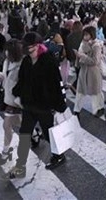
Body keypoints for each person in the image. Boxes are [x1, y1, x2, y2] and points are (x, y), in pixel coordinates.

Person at [10, 32, 67, 178]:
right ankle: (20, 165)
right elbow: (22, 80)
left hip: (45, 106)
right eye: (27, 49)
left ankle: (59, 155)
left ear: (39, 46)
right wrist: (16, 92)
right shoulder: (26, 61)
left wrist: (60, 105)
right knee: (24, 133)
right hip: (29, 104)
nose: (30, 52)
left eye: (33, 48)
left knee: (49, 134)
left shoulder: (48, 61)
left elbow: (56, 84)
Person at [0, 40, 24, 165]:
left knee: (14, 125)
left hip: (19, 101)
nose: (5, 52)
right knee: (8, 125)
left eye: (8, 50)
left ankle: (7, 154)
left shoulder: (22, 64)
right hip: (10, 100)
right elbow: (6, 76)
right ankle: (6, 152)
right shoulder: (7, 62)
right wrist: (0, 76)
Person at [73, 26, 105, 117]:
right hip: (84, 71)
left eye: (86, 34)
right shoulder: (82, 44)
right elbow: (79, 57)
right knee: (80, 92)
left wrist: (82, 56)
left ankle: (98, 109)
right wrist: (79, 60)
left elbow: (95, 61)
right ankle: (76, 110)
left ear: (92, 35)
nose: (84, 36)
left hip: (93, 73)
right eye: (84, 34)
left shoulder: (96, 46)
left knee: (96, 92)